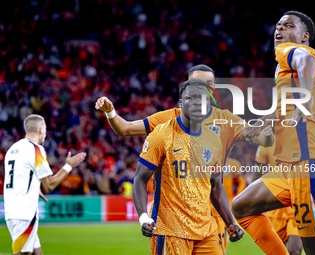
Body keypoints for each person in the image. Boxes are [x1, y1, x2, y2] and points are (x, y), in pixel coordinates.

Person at [95, 64, 274, 252]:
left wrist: (268, 132)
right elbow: (125, 129)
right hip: (173, 220)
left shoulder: (225, 121)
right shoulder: (167, 122)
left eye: (209, 84)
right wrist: (111, 112)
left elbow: (261, 138)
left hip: (213, 216)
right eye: (198, 83)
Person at [232, 11, 315, 255]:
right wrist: (263, 121)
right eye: (278, 26)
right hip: (292, 165)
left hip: (313, 164)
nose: (279, 30)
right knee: (241, 207)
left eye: (288, 25)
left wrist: (305, 99)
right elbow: (283, 109)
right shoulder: (285, 72)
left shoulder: (292, 53)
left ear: (304, 36)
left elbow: (305, 61)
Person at [133, 79, 243, 255]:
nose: (198, 102)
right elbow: (140, 178)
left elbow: (215, 187)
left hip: (206, 231)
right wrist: (143, 216)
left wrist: (230, 223)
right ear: (181, 102)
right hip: (170, 231)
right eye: (191, 98)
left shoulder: (214, 140)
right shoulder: (161, 134)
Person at [4, 114, 86, 255]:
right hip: (25, 213)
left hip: (12, 211)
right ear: (41, 129)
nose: (45, 134)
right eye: (46, 130)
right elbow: (49, 185)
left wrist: (35, 188)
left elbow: (18, 177)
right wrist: (68, 166)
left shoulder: (12, 149)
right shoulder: (35, 149)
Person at [252, 141, 303, 255]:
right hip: (275, 205)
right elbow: (256, 176)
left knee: (295, 250)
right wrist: (253, 202)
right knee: (275, 252)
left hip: (296, 205)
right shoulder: (266, 146)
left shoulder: (303, 142)